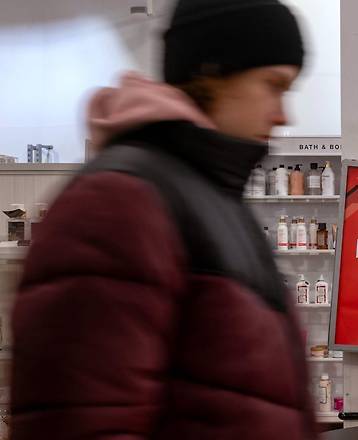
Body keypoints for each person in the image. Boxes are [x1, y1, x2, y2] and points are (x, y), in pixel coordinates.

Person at [10, 0, 316, 439]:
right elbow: (85, 420)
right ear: (211, 71)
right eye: (273, 84)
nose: (284, 114)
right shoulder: (118, 202)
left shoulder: (206, 196)